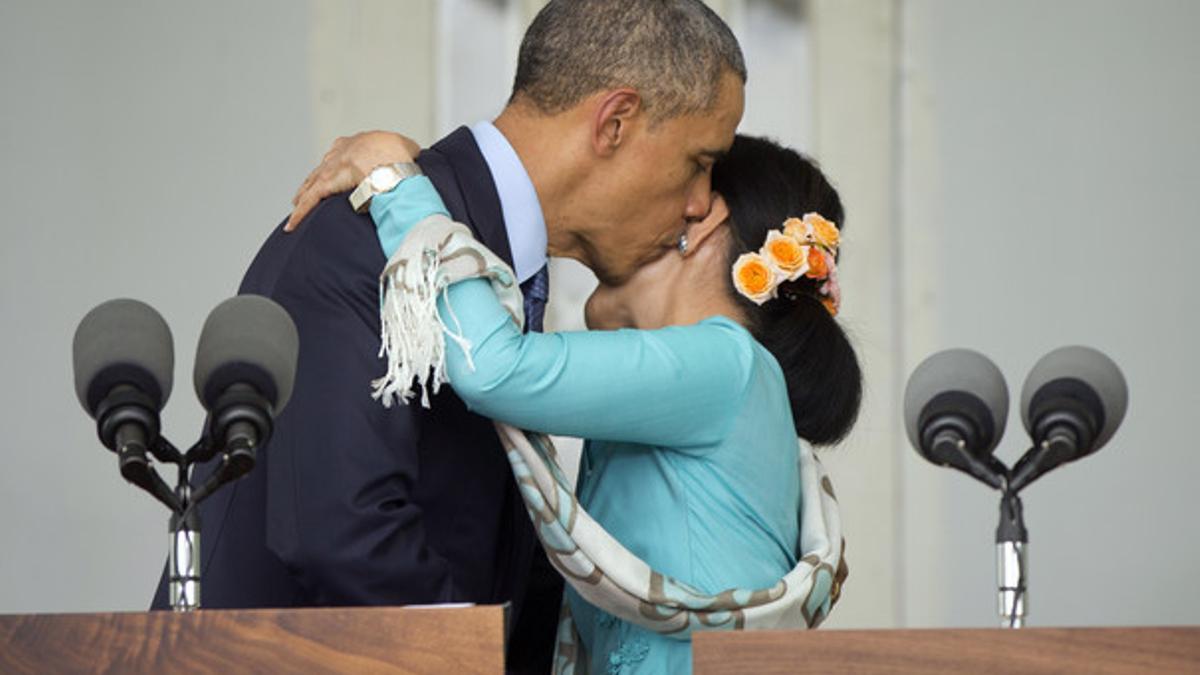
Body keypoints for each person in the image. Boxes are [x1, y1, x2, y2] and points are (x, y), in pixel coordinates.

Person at [150, 2, 746, 673]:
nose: (700, 200)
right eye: (701, 160)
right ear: (614, 122)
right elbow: (343, 533)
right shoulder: (358, 239)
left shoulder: (487, 260)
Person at [293, 133, 862, 674]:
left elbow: (493, 366)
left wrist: (396, 185)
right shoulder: (707, 390)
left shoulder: (726, 365)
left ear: (699, 219)